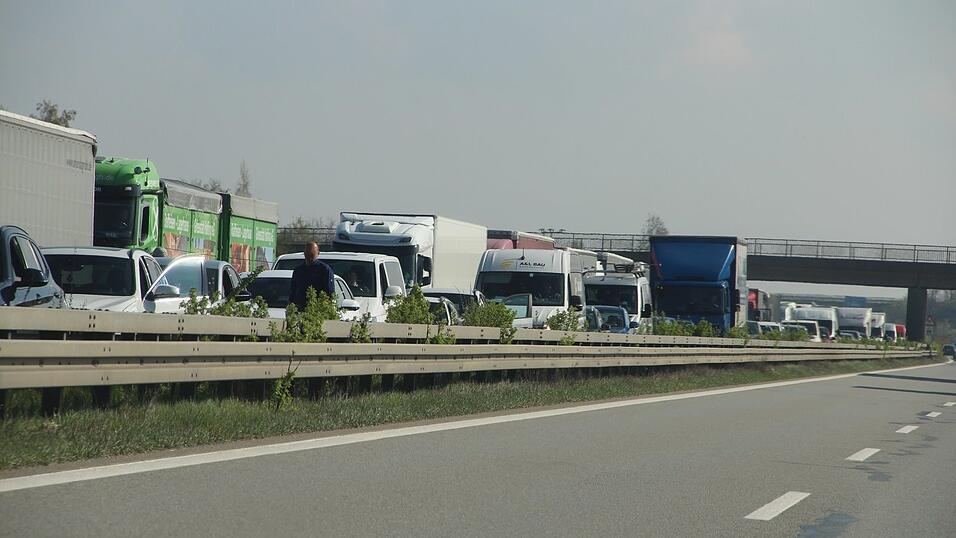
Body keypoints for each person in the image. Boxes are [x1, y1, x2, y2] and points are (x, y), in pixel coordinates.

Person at [289, 241, 335, 309]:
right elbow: (293, 291)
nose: (309, 254)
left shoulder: (324, 270)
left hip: (318, 310)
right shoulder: (298, 270)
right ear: (304, 253)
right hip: (299, 309)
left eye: (312, 253)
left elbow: (329, 293)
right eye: (307, 252)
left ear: (318, 253)